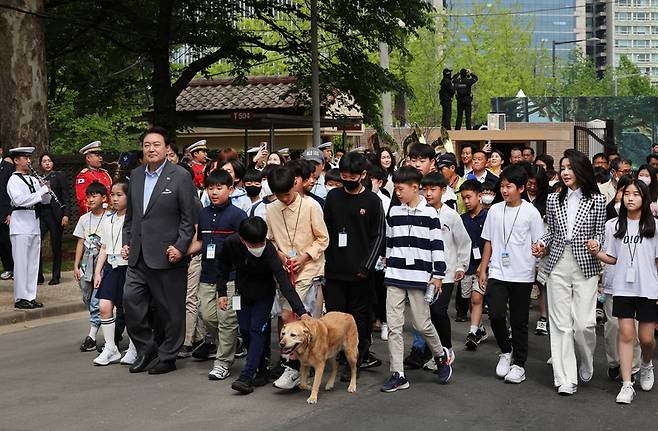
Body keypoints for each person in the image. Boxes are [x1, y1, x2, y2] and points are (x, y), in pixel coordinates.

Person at [121, 126, 199, 375]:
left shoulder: (180, 176)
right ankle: (147, 348)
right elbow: (131, 217)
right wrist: (126, 240)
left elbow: (189, 218)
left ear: (167, 149)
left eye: (156, 144)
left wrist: (181, 246)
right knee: (130, 302)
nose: (151, 149)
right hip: (138, 254)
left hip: (168, 254)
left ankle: (168, 356)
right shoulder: (135, 175)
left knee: (171, 310)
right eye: (146, 145)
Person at [533, 149, 606, 395]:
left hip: (586, 265)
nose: (565, 172)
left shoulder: (597, 200)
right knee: (561, 324)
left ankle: (586, 359)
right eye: (563, 168)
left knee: (584, 324)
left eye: (570, 168)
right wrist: (542, 243)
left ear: (581, 170)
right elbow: (551, 232)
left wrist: (596, 243)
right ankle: (565, 377)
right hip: (557, 264)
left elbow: (600, 233)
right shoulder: (554, 200)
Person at [217, 217, 311, 394]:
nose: (257, 247)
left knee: (256, 330)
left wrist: (301, 311)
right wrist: (221, 292)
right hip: (242, 293)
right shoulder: (232, 244)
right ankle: (262, 366)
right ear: (243, 240)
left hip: (264, 295)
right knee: (245, 330)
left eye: (261, 242)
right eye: (253, 245)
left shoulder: (268, 251)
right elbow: (222, 267)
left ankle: (246, 376)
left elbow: (284, 283)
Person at [381, 166, 452, 392]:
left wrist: (438, 276)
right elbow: (389, 244)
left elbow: (437, 247)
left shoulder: (431, 214)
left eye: (401, 189)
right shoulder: (393, 212)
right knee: (394, 326)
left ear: (414, 188)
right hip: (394, 275)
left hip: (420, 277)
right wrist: (387, 265)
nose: (398, 193)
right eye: (396, 189)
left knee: (421, 323)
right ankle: (397, 373)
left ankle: (441, 355)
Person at [588, 179, 658, 404]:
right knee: (626, 334)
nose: (630, 198)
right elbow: (613, 258)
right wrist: (597, 252)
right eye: (626, 193)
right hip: (622, 288)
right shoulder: (613, 225)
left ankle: (647, 363)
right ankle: (627, 384)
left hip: (648, 288)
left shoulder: (655, 226)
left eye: (636, 194)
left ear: (644, 198)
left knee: (646, 339)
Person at [478, 165, 544, 384]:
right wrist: (483, 267)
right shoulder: (495, 210)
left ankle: (519, 365)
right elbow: (488, 241)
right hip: (497, 271)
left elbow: (539, 243)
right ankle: (506, 350)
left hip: (522, 274)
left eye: (509, 186)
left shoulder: (531, 213)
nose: (505, 191)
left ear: (522, 188)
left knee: (519, 321)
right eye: (503, 186)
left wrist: (538, 256)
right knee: (495, 314)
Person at [265, 166, 329, 390]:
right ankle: (289, 361)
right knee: (284, 317)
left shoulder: (311, 205)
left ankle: (296, 367)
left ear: (295, 184)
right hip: (284, 271)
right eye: (279, 195)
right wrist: (281, 255)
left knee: (301, 317)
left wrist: (304, 257)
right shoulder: (271, 209)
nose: (284, 199)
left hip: (309, 268)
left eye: (287, 194)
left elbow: (323, 239)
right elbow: (270, 240)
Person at [324, 152, 386, 378]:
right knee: (334, 317)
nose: (347, 180)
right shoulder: (332, 198)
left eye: (352, 176)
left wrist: (367, 267)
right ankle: (335, 359)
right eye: (344, 176)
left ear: (363, 175)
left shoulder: (372, 201)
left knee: (360, 319)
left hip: (361, 272)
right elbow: (325, 231)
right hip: (334, 270)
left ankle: (356, 360)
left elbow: (379, 236)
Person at [194, 170, 248, 380]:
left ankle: (222, 362)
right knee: (207, 315)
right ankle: (231, 343)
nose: (214, 192)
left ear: (230, 189)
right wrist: (180, 251)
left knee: (227, 319)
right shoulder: (203, 214)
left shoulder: (238, 215)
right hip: (208, 274)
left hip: (232, 276)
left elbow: (245, 246)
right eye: (210, 188)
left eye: (219, 188)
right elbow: (200, 242)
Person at [415, 172, 471, 369]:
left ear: (443, 190)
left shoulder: (451, 215)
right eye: (425, 189)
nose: (428, 193)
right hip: (423, 273)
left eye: (433, 189)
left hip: (445, 273)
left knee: (439, 311)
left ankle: (446, 349)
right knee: (426, 315)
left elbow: (463, 242)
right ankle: (436, 353)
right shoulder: (419, 212)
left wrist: (461, 266)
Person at [91, 182, 137, 366]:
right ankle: (111, 348)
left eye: (119, 195)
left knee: (130, 309)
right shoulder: (108, 218)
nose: (115, 199)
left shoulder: (134, 220)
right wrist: (97, 271)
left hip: (128, 266)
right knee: (104, 306)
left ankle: (135, 346)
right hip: (111, 265)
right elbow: (103, 247)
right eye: (113, 195)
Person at [7, 147, 51, 309]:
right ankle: (20, 298)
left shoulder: (33, 179)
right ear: (16, 161)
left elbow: (44, 201)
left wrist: (46, 191)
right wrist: (40, 193)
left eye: (29, 157)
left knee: (33, 263)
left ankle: (30, 296)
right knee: (21, 263)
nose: (28, 160)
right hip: (20, 224)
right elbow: (19, 201)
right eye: (24, 158)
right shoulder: (13, 181)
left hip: (33, 222)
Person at [73, 182, 108, 350]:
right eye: (88, 196)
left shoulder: (109, 217)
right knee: (87, 296)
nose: (90, 199)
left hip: (102, 262)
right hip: (86, 262)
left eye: (94, 196)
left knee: (96, 300)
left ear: (103, 198)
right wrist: (75, 265)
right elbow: (80, 242)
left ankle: (92, 336)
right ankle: (101, 324)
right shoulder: (84, 218)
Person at [459, 180, 489, 350]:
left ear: (479, 196)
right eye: (464, 198)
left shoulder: (489, 216)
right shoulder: (462, 219)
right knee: (471, 299)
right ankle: (480, 328)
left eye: (469, 197)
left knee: (478, 297)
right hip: (467, 265)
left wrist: (485, 264)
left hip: (484, 266)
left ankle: (472, 332)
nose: (467, 201)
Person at [37, 153, 69, 285]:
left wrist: (66, 214)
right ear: (40, 164)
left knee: (56, 245)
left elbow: (66, 196)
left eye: (49, 161)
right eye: (44, 161)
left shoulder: (59, 176)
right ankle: (38, 275)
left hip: (55, 213)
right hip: (41, 212)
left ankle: (56, 276)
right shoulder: (36, 177)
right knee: (36, 243)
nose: (47, 163)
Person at [75, 141, 111, 214]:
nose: (100, 158)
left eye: (100, 155)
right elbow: (83, 200)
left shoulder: (105, 174)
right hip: (93, 214)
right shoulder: (83, 176)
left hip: (108, 214)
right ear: (88, 158)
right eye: (97, 155)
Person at [0, 147, 15, 281]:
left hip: (5, 211)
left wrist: (10, 212)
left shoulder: (8, 167)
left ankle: (15, 268)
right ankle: (7, 267)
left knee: (7, 241)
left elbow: (12, 193)